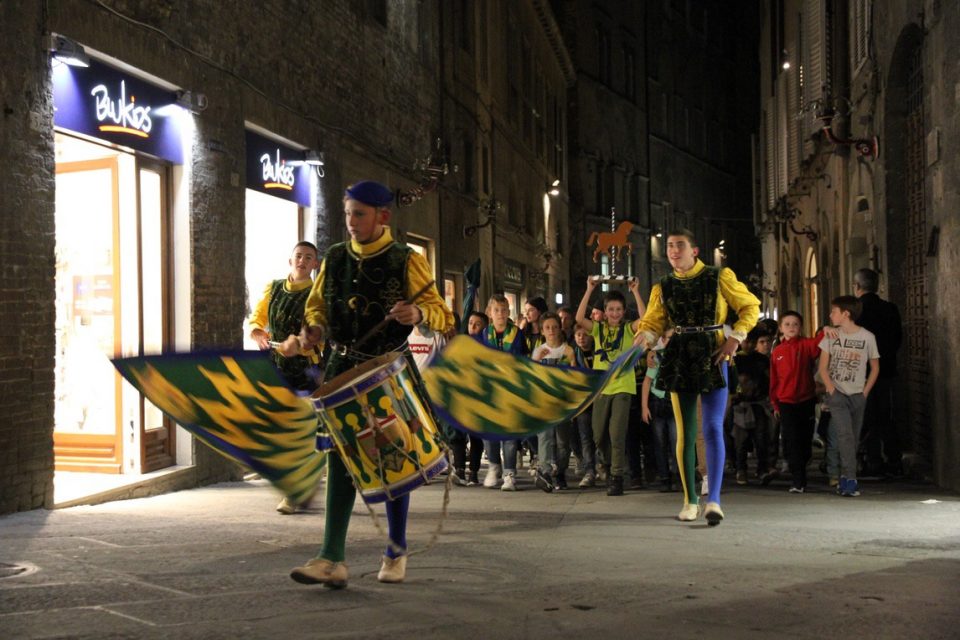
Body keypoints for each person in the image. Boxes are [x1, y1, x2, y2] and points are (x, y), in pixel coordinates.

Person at [281, 180, 454, 588]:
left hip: (387, 370)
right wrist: (312, 332)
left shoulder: (405, 260)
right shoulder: (336, 257)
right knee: (340, 456)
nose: (351, 222)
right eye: (347, 214)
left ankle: (396, 548)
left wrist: (418, 313)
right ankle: (331, 558)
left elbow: (442, 315)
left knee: (391, 457)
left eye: (359, 214)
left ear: (383, 217)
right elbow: (317, 306)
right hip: (341, 367)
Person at [635, 229, 759, 525]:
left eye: (680, 245)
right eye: (669, 247)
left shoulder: (719, 276)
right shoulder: (662, 286)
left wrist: (735, 338)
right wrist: (645, 337)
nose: (673, 251)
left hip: (714, 353)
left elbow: (750, 306)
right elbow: (653, 321)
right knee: (686, 431)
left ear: (695, 250)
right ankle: (690, 500)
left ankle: (713, 499)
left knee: (713, 427)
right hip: (679, 356)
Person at [247, 240, 323, 515]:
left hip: (308, 370)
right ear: (290, 260)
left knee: (302, 428)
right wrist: (257, 330)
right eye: (298, 256)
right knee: (279, 427)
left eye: (308, 257)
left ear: (315, 264)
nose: (302, 261)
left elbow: (323, 333)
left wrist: (302, 346)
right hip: (276, 366)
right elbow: (258, 315)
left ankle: (295, 489)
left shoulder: (318, 293)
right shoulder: (275, 287)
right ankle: (297, 483)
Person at [575, 278, 646, 496]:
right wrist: (588, 289)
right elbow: (579, 318)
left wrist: (635, 292)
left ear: (624, 311)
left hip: (623, 388)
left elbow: (646, 318)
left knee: (617, 434)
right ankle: (607, 463)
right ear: (605, 312)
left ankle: (616, 477)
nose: (614, 313)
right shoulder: (598, 329)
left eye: (618, 309)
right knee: (598, 435)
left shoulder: (627, 330)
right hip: (602, 388)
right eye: (611, 309)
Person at [818, 295, 880, 497]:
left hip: (858, 394)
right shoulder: (831, 336)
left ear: (846, 314)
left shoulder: (867, 337)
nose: (830, 315)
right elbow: (823, 367)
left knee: (853, 437)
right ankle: (851, 480)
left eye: (834, 311)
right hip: (838, 394)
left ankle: (845, 477)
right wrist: (831, 389)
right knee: (844, 435)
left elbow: (875, 367)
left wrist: (865, 392)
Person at [853, 268, 903, 477]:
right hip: (884, 371)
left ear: (856, 287)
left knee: (863, 416)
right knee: (885, 415)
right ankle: (893, 460)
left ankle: (870, 460)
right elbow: (897, 339)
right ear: (877, 286)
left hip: (859, 374)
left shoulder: (853, 311)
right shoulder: (889, 309)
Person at [769, 311, 821, 493]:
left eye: (795, 324)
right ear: (781, 328)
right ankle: (797, 479)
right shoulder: (777, 352)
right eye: (787, 324)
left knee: (805, 440)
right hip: (785, 401)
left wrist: (827, 329)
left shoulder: (806, 345)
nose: (791, 327)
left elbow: (819, 344)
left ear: (801, 327)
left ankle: (802, 468)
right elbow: (774, 380)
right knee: (791, 440)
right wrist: (775, 403)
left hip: (806, 400)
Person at [480, 294, 528, 490]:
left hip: (510, 390)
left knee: (509, 434)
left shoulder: (517, 334)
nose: (500, 314)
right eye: (496, 310)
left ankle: (509, 474)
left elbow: (523, 360)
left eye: (504, 310)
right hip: (489, 390)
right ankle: (494, 466)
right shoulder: (484, 334)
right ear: (489, 313)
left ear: (509, 312)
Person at [531, 312, 576, 492]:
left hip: (563, 402)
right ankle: (545, 472)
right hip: (545, 401)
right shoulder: (539, 350)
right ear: (542, 331)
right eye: (548, 328)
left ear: (560, 328)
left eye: (555, 327)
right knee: (544, 437)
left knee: (563, 442)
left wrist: (571, 359)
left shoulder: (568, 350)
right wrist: (536, 360)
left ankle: (561, 472)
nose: (551, 331)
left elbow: (575, 376)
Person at [641, 340, 678, 492]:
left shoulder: (681, 357)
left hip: (676, 401)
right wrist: (644, 407)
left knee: (677, 442)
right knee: (659, 442)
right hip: (658, 402)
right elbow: (647, 382)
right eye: (667, 338)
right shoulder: (657, 357)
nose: (670, 341)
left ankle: (678, 475)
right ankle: (664, 477)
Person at [572, 324, 598, 487]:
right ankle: (590, 471)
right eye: (578, 335)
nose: (581, 337)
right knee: (585, 437)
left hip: (599, 399)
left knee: (601, 435)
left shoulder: (599, 351)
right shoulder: (573, 354)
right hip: (583, 402)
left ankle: (603, 464)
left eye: (585, 334)